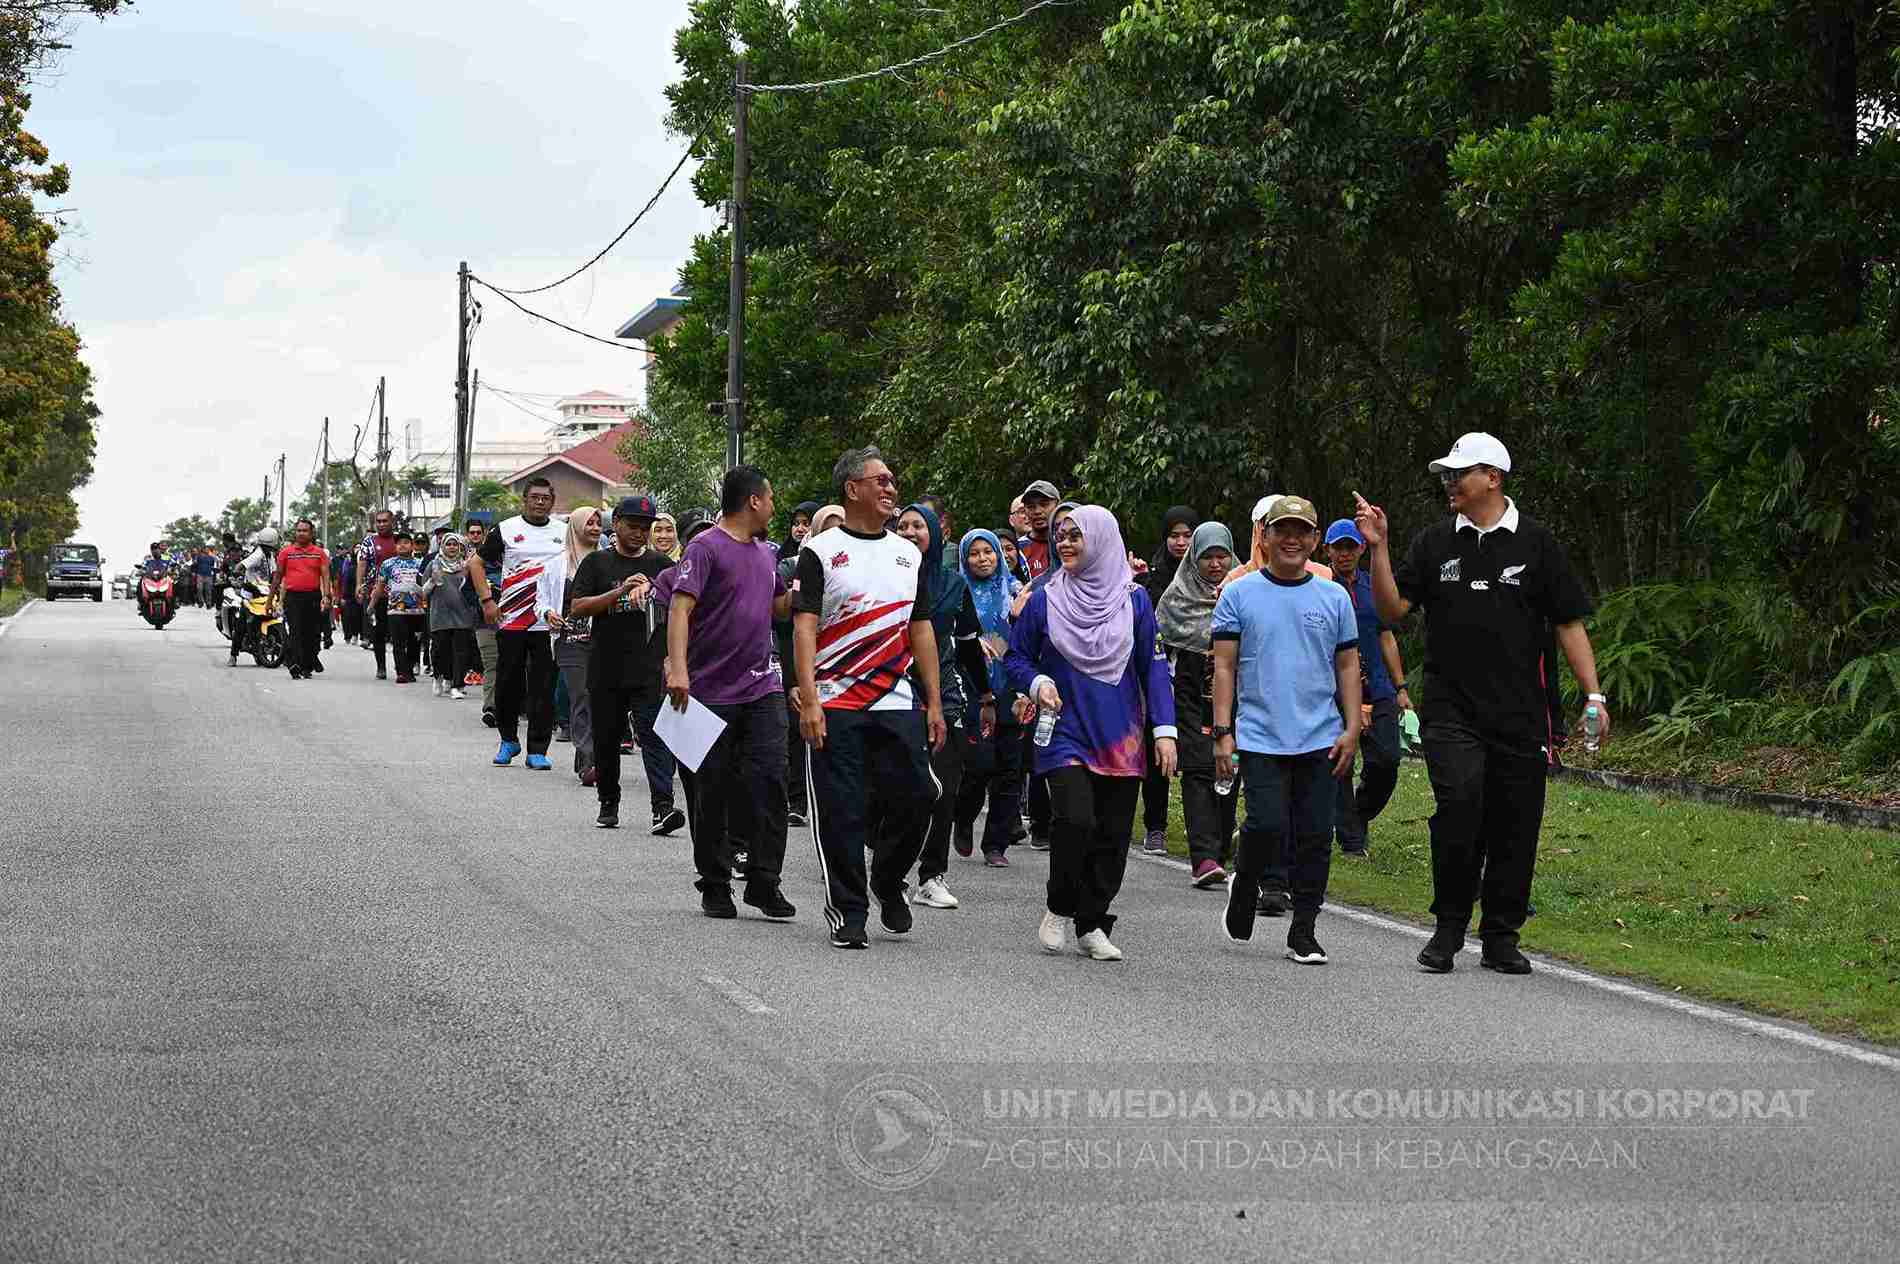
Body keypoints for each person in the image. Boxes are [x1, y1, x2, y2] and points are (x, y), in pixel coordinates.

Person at [1356, 432, 1608, 976]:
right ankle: (1448, 927)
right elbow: (1392, 608)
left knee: (1515, 823)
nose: (1449, 483)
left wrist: (1593, 695)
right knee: (1460, 804)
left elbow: (1569, 622)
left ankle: (1501, 935)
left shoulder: (1537, 544)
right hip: (1450, 710)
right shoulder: (1433, 542)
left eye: (1459, 473)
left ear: (1492, 477)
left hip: (1522, 713)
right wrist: (1379, 547)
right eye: (1446, 475)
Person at [1006, 505, 1177, 963]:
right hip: (1064, 730)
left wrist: (1164, 730)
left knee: (1113, 832)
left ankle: (1093, 921)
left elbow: (1153, 668)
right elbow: (1017, 657)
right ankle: (1060, 906)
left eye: (1075, 536)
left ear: (1101, 540)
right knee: (1076, 819)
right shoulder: (1044, 599)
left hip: (1121, 737)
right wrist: (1038, 682)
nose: (1064, 543)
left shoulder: (1135, 600)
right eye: (1060, 536)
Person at [793, 447, 948, 950]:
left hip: (895, 699)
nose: (890, 488)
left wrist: (935, 701)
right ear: (851, 489)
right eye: (878, 480)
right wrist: (811, 700)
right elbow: (804, 627)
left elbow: (920, 627)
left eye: (892, 480)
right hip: (835, 701)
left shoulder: (909, 554)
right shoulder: (820, 551)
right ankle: (849, 910)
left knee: (921, 795)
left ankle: (887, 878)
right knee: (842, 809)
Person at [1212, 496, 1361, 965]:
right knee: (1267, 824)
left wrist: (1353, 726)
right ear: (1266, 537)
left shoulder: (1333, 595)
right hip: (1259, 733)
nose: (1292, 540)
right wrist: (1222, 731)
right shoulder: (1239, 593)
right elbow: (1224, 666)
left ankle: (1305, 930)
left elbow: (1348, 663)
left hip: (1321, 734)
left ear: (1315, 539)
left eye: (1302, 531)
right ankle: (1246, 880)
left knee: (1316, 832)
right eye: (1283, 530)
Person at [666, 466, 798, 921]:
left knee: (770, 782)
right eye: (772, 497)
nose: (775, 507)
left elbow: (779, 605)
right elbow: (680, 609)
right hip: (708, 692)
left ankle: (764, 882)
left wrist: (810, 589)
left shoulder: (767, 553)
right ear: (755, 501)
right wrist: (679, 669)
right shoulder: (704, 548)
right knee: (711, 791)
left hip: (763, 686)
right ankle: (715, 883)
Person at [892, 503, 993, 912]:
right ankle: (892, 871)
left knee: (945, 790)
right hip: (893, 693)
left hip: (945, 697)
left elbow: (968, 647)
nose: (911, 531)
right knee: (902, 789)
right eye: (903, 526)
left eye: (919, 525)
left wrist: (986, 696)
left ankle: (932, 875)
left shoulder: (953, 584)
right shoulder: (885, 576)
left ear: (935, 532)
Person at [568, 496, 678, 829]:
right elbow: (578, 606)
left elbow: (681, 609)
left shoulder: (661, 565)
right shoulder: (597, 563)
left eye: (646, 527)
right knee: (607, 737)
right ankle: (608, 801)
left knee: (655, 738)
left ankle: (663, 806)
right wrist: (619, 593)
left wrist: (655, 590)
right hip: (606, 665)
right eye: (632, 526)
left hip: (649, 667)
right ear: (615, 524)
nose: (639, 533)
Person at [1156, 521, 1239, 887]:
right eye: (1207, 556)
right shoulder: (1175, 600)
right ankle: (1203, 857)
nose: (1216, 564)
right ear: (1193, 558)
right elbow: (1159, 651)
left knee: (1228, 768)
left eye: (1223, 556)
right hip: (1187, 692)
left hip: (1233, 693)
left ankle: (1220, 849)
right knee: (1198, 768)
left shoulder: (1241, 593)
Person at [1324, 518, 1412, 855]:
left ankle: (1358, 814)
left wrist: (1401, 686)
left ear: (1362, 548)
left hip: (1379, 688)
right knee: (1340, 765)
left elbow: (1386, 635)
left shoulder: (1373, 585)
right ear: (1327, 550)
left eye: (1351, 546)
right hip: (1334, 690)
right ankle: (1351, 841)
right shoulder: (1320, 585)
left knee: (1387, 761)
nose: (1345, 554)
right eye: (1338, 547)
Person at [473, 478, 565, 770]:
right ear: (524, 500)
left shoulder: (564, 532)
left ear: (552, 502)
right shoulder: (507, 529)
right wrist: (488, 601)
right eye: (534, 497)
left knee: (543, 687)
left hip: (547, 622)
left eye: (545, 498)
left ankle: (537, 749)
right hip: (511, 619)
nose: (540, 502)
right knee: (508, 683)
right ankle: (508, 739)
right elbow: (475, 563)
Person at [953, 528, 1026, 866]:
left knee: (1010, 769)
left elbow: (1032, 636)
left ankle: (995, 844)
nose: (982, 559)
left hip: (1012, 686)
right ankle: (963, 816)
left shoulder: (1014, 591)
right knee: (978, 764)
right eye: (974, 553)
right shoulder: (958, 591)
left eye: (989, 552)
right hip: (970, 685)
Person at [1132, 505, 1198, 854]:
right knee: (1157, 747)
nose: (1181, 542)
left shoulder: (1209, 575)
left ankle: (1202, 827)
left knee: (1196, 753)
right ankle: (1155, 825)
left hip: (1197, 675)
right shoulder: (1152, 577)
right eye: (1175, 535)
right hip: (1157, 672)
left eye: (1188, 535)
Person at [551, 506, 603, 783]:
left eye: (598, 523)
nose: (594, 528)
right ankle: (588, 761)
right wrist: (548, 613)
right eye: (589, 523)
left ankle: (588, 756)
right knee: (581, 694)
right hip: (570, 639)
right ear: (575, 526)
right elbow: (542, 599)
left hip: (605, 639)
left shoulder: (608, 560)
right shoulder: (558, 563)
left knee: (599, 698)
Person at [272, 519, 332, 680]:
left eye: (305, 531)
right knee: (296, 631)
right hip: (293, 597)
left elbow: (326, 576)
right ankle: (294, 664)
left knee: (312, 634)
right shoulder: (286, 552)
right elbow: (278, 576)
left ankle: (308, 664)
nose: (301, 533)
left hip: (313, 596)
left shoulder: (319, 553)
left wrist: (326, 596)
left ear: (311, 533)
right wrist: (271, 600)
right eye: (299, 530)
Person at [423, 529, 478, 699]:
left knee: (461, 652)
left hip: (463, 615)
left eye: (455, 544)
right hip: (440, 615)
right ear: (442, 546)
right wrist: (433, 580)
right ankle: (440, 677)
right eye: (449, 544)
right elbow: (423, 591)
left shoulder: (466, 565)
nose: (452, 547)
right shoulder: (434, 564)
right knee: (441, 650)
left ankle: (457, 685)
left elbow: (475, 587)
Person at [367, 531, 427, 683]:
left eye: (406, 542)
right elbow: (380, 587)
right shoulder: (388, 564)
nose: (402, 545)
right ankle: (402, 672)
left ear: (412, 546)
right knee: (398, 642)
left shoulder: (421, 564)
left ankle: (410, 668)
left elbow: (428, 585)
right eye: (399, 543)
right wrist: (372, 605)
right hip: (396, 609)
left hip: (417, 610)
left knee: (414, 642)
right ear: (395, 546)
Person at [355, 510, 400, 681]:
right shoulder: (370, 541)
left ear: (392, 522)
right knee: (378, 632)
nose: (381, 524)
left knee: (399, 633)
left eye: (384, 521)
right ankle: (381, 667)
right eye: (378, 521)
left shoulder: (400, 540)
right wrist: (359, 585)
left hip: (399, 594)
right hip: (376, 594)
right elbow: (362, 563)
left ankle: (402, 666)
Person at [464, 517, 500, 723]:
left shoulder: (515, 562)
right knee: (491, 664)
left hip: (515, 621)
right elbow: (467, 590)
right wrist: (482, 604)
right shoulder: (476, 563)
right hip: (484, 622)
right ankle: (491, 708)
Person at [227, 530, 278, 665]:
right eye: (269, 547)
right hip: (251, 592)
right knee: (242, 623)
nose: (270, 549)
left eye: (271, 548)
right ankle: (233, 655)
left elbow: (274, 571)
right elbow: (242, 565)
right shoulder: (258, 553)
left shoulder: (270, 556)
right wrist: (236, 571)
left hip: (265, 590)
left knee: (274, 615)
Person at [1017, 480, 1059, 579]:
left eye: (1044, 504)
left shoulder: (1070, 544)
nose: (1037, 511)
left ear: (1057, 505)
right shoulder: (1017, 550)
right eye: (1031, 507)